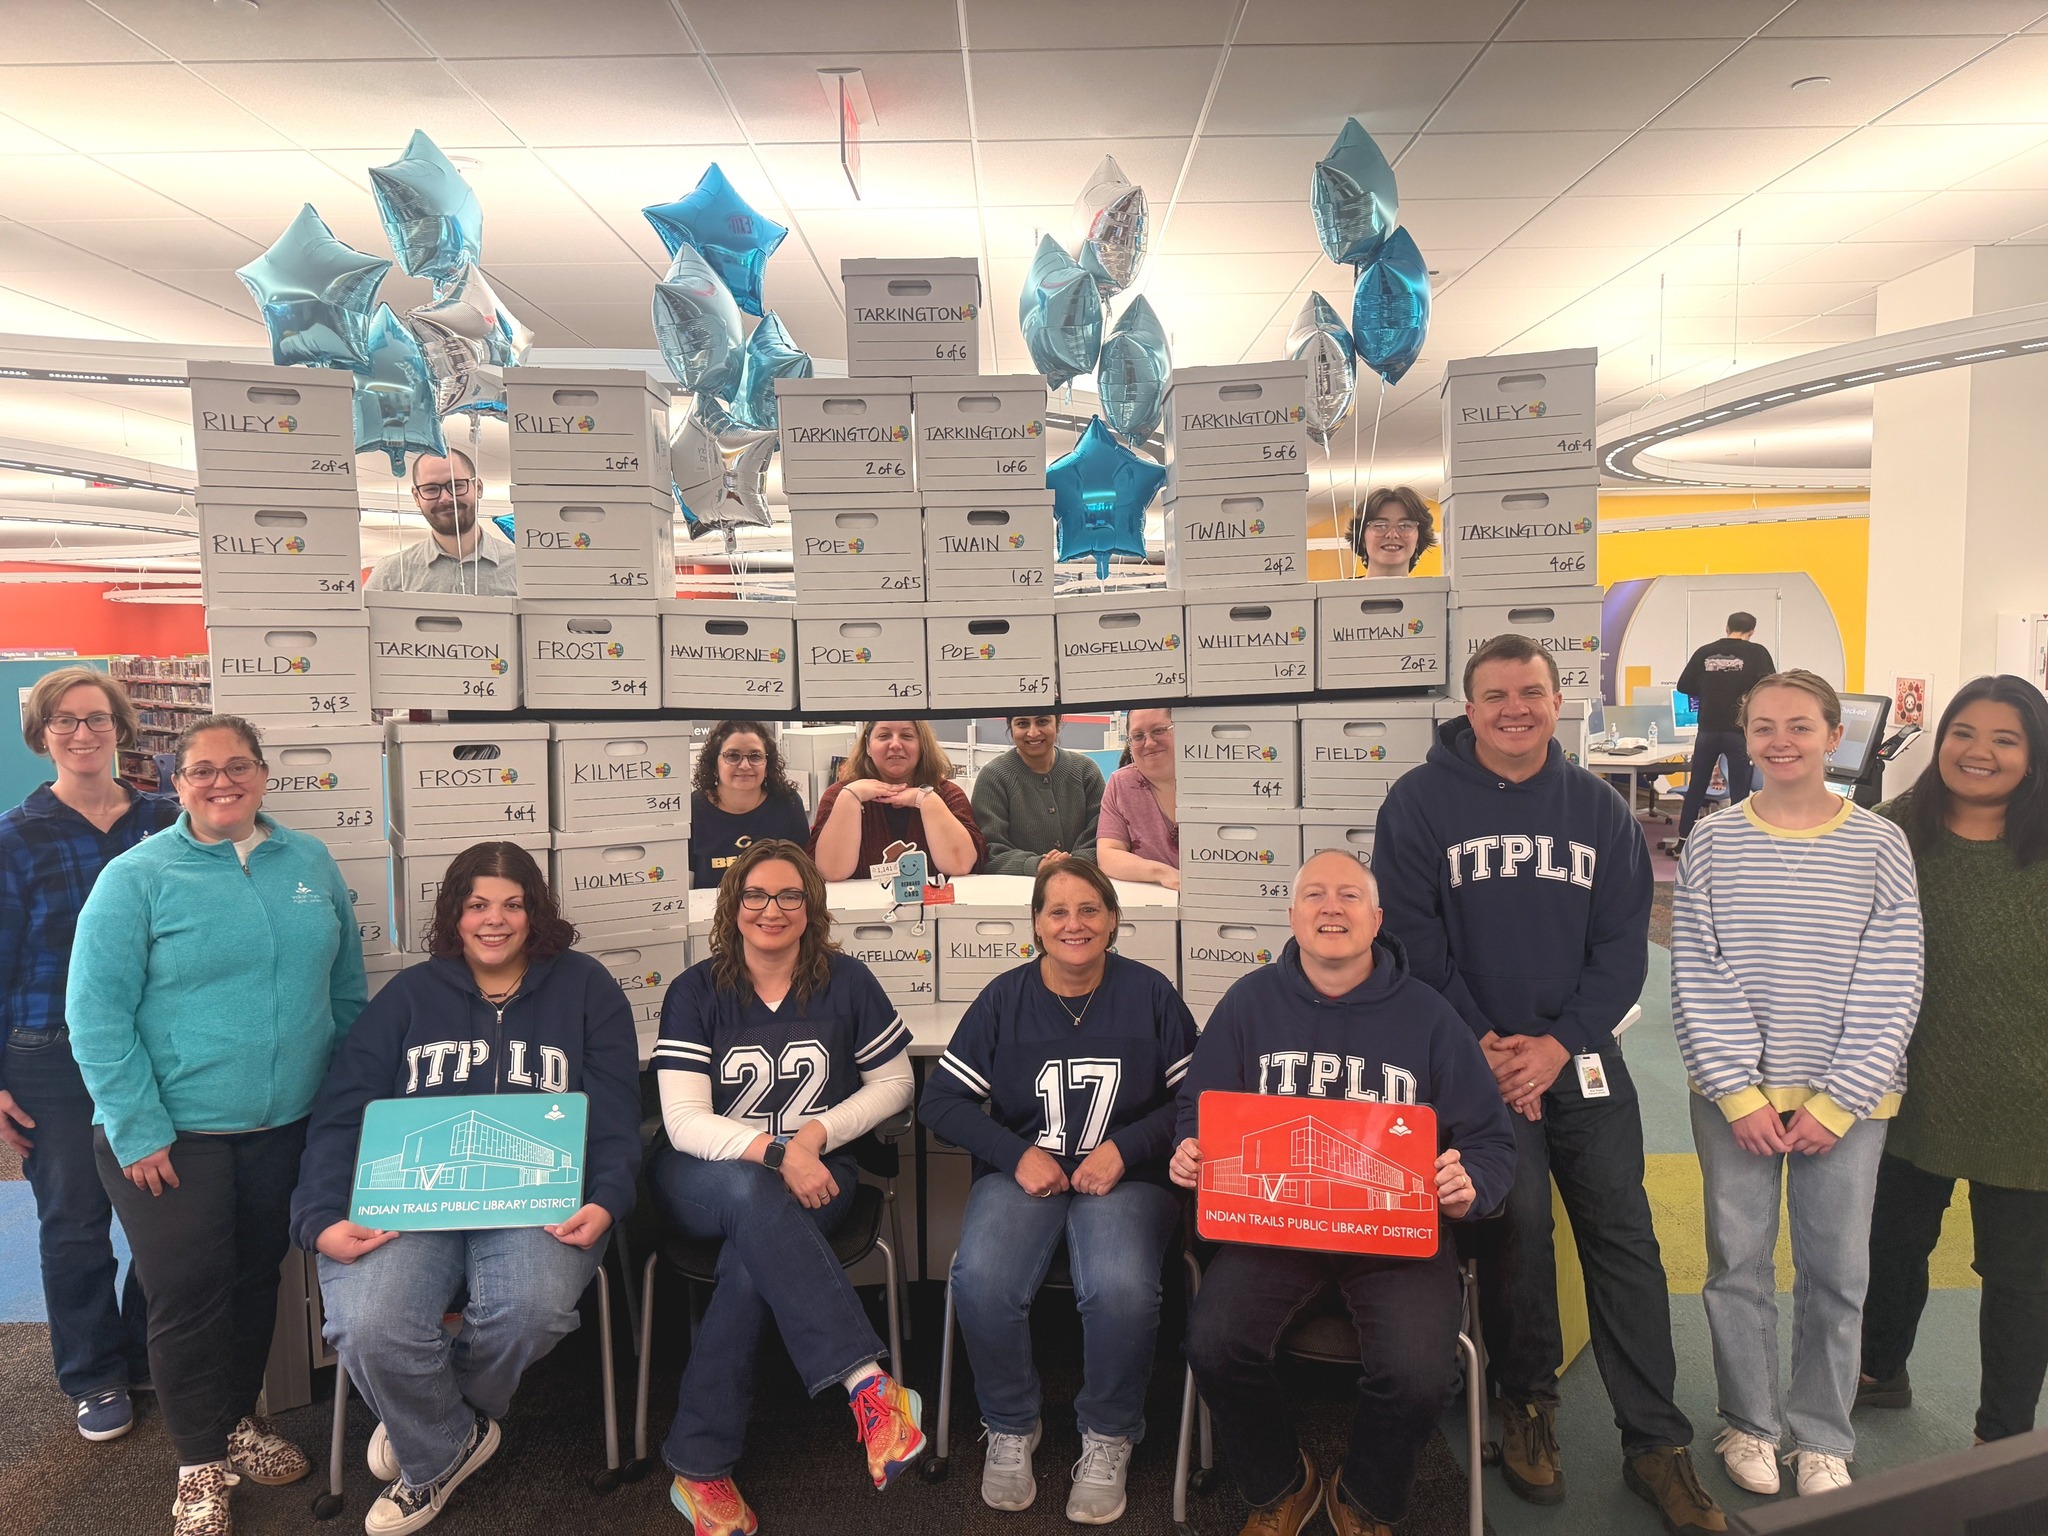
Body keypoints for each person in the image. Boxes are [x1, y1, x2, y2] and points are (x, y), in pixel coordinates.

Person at [1373, 635, 1725, 1533]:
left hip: (1580, 1056)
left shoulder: (1599, 809)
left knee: (1623, 1230)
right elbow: (1410, 941)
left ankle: (1657, 1441)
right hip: (1472, 1059)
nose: (1514, 709)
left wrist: (1558, 1047)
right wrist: (1484, 1047)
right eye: (1494, 696)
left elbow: (1622, 949)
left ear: (1559, 697)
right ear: (1469, 706)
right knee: (1517, 1221)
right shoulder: (1417, 803)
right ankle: (1526, 1404)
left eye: (1530, 691)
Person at [69, 714, 367, 1536]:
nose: (220, 782)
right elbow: (94, 1014)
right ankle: (199, 1462)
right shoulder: (139, 877)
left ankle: (238, 1420)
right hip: (174, 1136)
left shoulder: (306, 861)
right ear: (176, 782)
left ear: (263, 775)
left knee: (253, 1279)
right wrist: (137, 1125)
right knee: (187, 1295)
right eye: (201, 771)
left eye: (237, 767)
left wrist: (342, 1106)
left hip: (286, 1126)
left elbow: (344, 991)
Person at [292, 842, 642, 1535]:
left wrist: (607, 1196)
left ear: (534, 911)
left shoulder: (586, 988)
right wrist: (321, 1216)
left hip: (539, 1199)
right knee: (366, 1325)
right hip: (411, 1202)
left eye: (513, 904)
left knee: (533, 1309)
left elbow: (615, 1116)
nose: (495, 920)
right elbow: (341, 1115)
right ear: (454, 913)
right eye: (478, 904)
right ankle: (445, 1442)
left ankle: (425, 1426)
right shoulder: (410, 997)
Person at [1170, 851, 1517, 1536]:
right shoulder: (1248, 1003)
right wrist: (1191, 1151)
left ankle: (1364, 1498)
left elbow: (1492, 1142)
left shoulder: (1431, 1016)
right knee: (1212, 1343)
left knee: (1422, 1375)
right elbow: (1198, 1111)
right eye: (1317, 895)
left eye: (1350, 895)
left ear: (1377, 918)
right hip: (1273, 1230)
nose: (1333, 907)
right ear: (1293, 916)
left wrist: (1469, 1183)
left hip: (1396, 1238)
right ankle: (1281, 1484)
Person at [1671, 669, 1924, 1498]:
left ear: (1831, 736)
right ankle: (1748, 1422)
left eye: (1801, 726)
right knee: (1736, 1263)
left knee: (1838, 1271)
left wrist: (1841, 1098)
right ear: (1743, 737)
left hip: (1849, 1102)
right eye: (1764, 726)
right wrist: (1740, 1093)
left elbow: (1895, 977)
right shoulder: (1712, 839)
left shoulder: (1879, 842)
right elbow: (1697, 977)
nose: (1782, 740)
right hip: (1734, 1098)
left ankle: (1821, 1435)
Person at [650, 840, 924, 1532]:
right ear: (732, 905)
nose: (772, 910)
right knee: (751, 1196)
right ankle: (870, 1384)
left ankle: (699, 1468)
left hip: (816, 1168)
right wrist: (775, 1152)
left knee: (751, 1263)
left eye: (789, 896)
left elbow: (896, 1084)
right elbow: (683, 1121)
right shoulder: (695, 990)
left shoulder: (848, 982)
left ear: (811, 906)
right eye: (756, 896)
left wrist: (816, 1136)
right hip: (707, 1175)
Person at [921, 857, 1196, 1522]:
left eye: (1089, 910)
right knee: (981, 1279)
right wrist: (1016, 1155)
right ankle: (1011, 1423)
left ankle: (1108, 1433)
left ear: (1113, 921)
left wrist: (1126, 1148)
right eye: (1057, 912)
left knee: (1122, 1285)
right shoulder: (1003, 999)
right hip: (1028, 1178)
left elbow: (1195, 1099)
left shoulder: (1152, 994)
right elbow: (942, 1102)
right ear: (1037, 926)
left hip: (1127, 1180)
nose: (1074, 924)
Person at [1860, 675, 2048, 1444]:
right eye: (1964, 733)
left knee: (2019, 1279)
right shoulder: (1887, 834)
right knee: (1892, 1244)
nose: (1980, 752)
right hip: (1906, 1084)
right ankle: (1879, 1369)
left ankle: (2000, 1435)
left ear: (2034, 757)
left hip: (2030, 1101)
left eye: (2006, 739)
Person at [0, 667, 179, 1442]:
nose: (83, 733)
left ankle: (143, 1347)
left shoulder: (168, 822)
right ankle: (92, 1373)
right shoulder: (15, 838)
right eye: (65, 721)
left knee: (164, 1209)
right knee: (73, 1218)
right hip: (51, 1052)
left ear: (120, 728)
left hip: (157, 1046)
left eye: (98, 719)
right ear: (42, 735)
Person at [808, 720, 986, 882]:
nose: (895, 744)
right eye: (884, 736)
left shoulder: (948, 795)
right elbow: (831, 872)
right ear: (868, 747)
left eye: (907, 736)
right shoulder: (838, 795)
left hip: (935, 914)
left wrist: (927, 800)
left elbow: (960, 866)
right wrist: (850, 797)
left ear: (922, 745)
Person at [1673, 612, 1777, 847]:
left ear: (1727, 627)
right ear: (1752, 632)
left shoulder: (1704, 652)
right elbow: (1771, 686)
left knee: (1697, 784)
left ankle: (1683, 840)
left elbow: (1683, 685)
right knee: (1740, 788)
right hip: (1739, 730)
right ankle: (1737, 841)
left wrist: (1710, 690)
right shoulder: (1757, 653)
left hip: (1707, 729)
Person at [365, 447, 518, 597]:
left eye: (456, 486)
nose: (445, 498)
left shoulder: (520, 569)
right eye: (431, 489)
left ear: (478, 488)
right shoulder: (390, 575)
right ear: (416, 497)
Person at [969, 714, 1105, 875]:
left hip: (1083, 880)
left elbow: (1104, 838)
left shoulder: (1085, 771)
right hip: (1016, 890)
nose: (1033, 733)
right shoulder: (993, 777)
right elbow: (989, 849)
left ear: (1057, 723)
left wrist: (1073, 863)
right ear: (1011, 728)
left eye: (1042, 721)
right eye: (1022, 724)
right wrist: (1037, 865)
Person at [689, 720, 810, 889]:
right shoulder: (693, 809)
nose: (745, 765)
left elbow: (804, 876)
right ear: (714, 765)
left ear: (767, 766)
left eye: (755, 756)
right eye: (732, 756)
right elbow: (683, 888)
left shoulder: (787, 804)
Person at [1096, 710, 1178, 890]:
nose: (1149, 743)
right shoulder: (1121, 784)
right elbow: (1108, 854)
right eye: (1138, 736)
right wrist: (1162, 873)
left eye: (1158, 730)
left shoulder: (1215, 780)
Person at [1347, 486, 1437, 579]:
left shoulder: (1436, 592)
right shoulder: (1339, 592)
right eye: (1380, 525)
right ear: (1362, 538)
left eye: (1404, 526)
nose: (1392, 535)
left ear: (1418, 539)